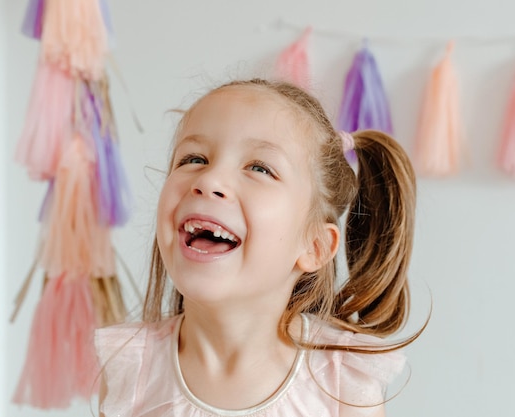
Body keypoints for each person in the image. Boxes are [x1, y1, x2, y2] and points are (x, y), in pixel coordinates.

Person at [95, 78, 422, 417]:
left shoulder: (345, 382)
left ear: (314, 246)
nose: (207, 181)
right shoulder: (131, 370)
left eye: (259, 168)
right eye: (194, 158)